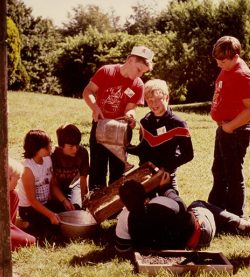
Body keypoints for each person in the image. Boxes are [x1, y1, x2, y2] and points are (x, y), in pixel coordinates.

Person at [115, 179, 250, 252]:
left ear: (123, 202)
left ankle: (235, 225)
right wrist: (167, 187)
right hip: (201, 235)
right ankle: (243, 225)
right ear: (145, 196)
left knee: (195, 212)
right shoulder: (159, 203)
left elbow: (123, 248)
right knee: (197, 204)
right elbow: (181, 206)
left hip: (178, 244)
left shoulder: (124, 219)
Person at [82, 45, 154, 191]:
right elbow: (87, 91)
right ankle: (95, 204)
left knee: (117, 170)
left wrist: (131, 116)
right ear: (131, 60)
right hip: (100, 127)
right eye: (139, 70)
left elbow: (130, 108)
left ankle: (114, 206)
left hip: (120, 131)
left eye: (143, 73)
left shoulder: (138, 85)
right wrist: (95, 107)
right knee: (97, 168)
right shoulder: (106, 71)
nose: (139, 75)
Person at [208, 36, 250, 217]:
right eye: (217, 60)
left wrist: (229, 127)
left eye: (222, 61)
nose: (219, 64)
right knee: (219, 170)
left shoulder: (241, 74)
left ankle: (235, 215)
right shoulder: (228, 68)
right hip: (225, 128)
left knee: (232, 174)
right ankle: (217, 209)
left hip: (236, 131)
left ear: (235, 56)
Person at [127, 79, 193, 193]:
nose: (153, 104)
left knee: (171, 207)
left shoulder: (178, 124)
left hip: (167, 176)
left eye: (158, 100)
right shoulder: (145, 122)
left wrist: (167, 168)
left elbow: (188, 154)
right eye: (150, 100)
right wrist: (127, 147)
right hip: (146, 175)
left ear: (167, 97)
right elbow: (144, 149)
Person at [0, 158, 36, 264]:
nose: (17, 183)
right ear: (9, 178)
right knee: (30, 241)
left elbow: (8, 222)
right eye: (17, 179)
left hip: (0, 231)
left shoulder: (11, 194)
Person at [18, 129, 62, 232]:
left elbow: (52, 184)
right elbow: (32, 200)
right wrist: (50, 215)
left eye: (50, 143)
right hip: (29, 208)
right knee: (49, 226)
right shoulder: (27, 169)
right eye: (47, 145)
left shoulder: (47, 159)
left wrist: (64, 201)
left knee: (65, 213)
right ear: (36, 149)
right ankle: (22, 224)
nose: (50, 147)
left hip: (44, 203)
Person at [51, 124, 89, 210]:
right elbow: (52, 184)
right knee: (58, 209)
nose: (75, 149)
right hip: (55, 189)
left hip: (73, 186)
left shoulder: (82, 153)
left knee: (76, 208)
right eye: (71, 146)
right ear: (61, 145)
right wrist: (64, 200)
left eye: (77, 145)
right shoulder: (53, 155)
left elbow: (83, 180)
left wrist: (84, 202)